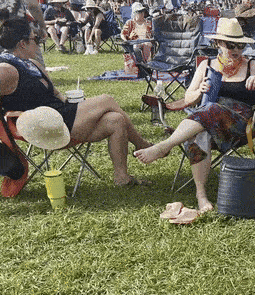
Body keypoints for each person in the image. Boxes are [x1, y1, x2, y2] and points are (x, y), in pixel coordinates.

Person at [133, 18, 255, 214]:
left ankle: (165, 146)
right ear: (218, 44)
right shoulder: (206, 65)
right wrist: (199, 92)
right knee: (199, 134)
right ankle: (201, 194)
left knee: (211, 109)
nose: (236, 50)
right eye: (231, 45)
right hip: (206, 120)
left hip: (241, 125)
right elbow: (188, 97)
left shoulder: (251, 65)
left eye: (240, 45)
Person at [0, 17, 152, 186]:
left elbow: (55, 93)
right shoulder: (6, 70)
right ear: (22, 43)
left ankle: (122, 178)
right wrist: (13, 116)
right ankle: (142, 145)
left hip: (62, 114)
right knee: (106, 100)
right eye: (35, 38)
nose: (40, 42)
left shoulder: (32, 64)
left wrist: (74, 101)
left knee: (116, 120)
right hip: (46, 127)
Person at [0, 0, 47, 66]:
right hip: (21, 29)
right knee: (35, 65)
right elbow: (33, 6)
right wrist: (42, 27)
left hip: (4, 31)